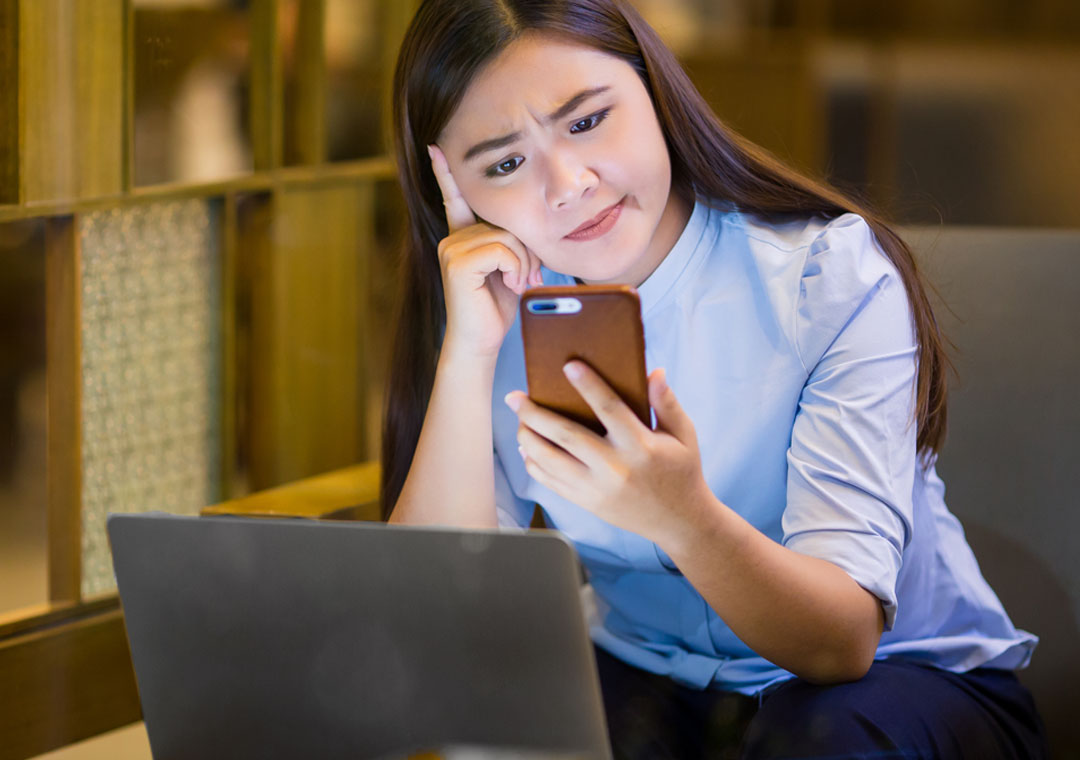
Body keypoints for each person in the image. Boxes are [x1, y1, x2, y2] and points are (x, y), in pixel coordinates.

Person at [379, 1, 1048, 757]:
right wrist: (466, 353)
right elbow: (433, 628)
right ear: (453, 188)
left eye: (588, 121)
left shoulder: (824, 277)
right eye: (504, 163)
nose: (567, 184)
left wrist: (685, 519)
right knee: (508, 734)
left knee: (819, 740)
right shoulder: (495, 307)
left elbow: (843, 645)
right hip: (655, 678)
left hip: (897, 689)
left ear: (655, 92)